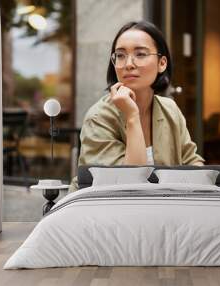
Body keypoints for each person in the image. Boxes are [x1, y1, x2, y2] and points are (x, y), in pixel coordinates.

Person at [69, 21, 204, 192]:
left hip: (162, 207)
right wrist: (132, 116)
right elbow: (129, 185)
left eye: (140, 54)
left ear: (162, 63)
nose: (128, 64)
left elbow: (192, 161)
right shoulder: (99, 117)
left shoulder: (169, 109)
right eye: (120, 55)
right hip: (107, 210)